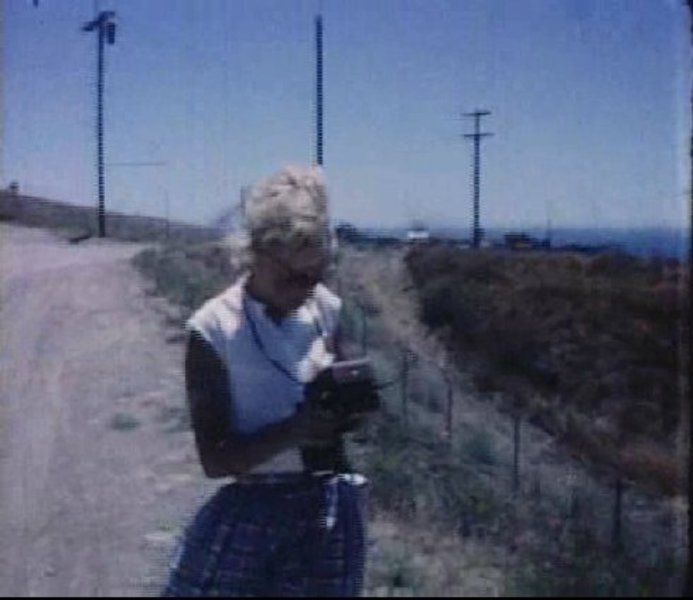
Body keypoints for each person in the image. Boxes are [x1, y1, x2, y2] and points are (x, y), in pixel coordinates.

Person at [164, 165, 370, 597]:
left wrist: (346, 411)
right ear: (256, 254)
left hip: (326, 507)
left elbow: (337, 389)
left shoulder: (325, 309)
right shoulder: (213, 329)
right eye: (292, 277)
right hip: (254, 509)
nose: (305, 290)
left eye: (316, 275)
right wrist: (294, 431)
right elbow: (215, 459)